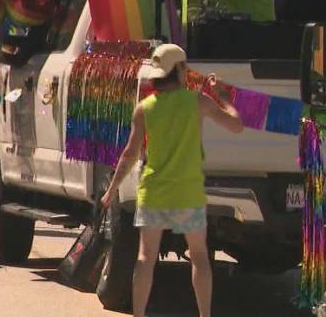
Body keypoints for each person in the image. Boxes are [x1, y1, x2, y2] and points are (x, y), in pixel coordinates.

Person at [102, 44, 244, 317]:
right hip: (187, 192)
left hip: (154, 192)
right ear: (179, 70)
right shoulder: (198, 102)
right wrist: (223, 96)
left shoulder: (145, 108)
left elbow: (129, 154)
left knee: (145, 258)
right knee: (199, 257)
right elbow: (236, 125)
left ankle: (139, 313)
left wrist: (111, 190)